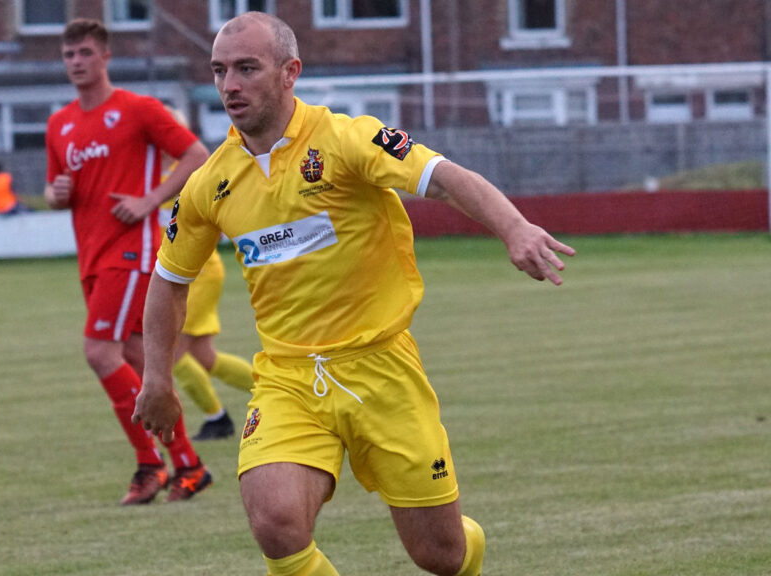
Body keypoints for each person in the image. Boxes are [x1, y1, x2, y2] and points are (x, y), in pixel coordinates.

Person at [133, 12, 575, 576]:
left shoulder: (348, 139)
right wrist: (157, 378)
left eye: (247, 68)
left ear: (290, 72)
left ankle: (464, 548)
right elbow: (170, 280)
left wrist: (514, 228)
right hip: (289, 379)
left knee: (440, 557)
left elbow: (443, 176)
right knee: (275, 522)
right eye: (220, 71)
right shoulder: (209, 184)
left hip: (382, 369)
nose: (229, 85)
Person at [43, 18, 213, 505]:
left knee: (99, 352)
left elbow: (196, 155)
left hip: (132, 251)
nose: (76, 62)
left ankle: (148, 464)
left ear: (105, 57)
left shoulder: (138, 109)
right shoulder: (60, 124)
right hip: (92, 257)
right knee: (139, 361)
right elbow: (59, 193)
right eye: (69, 55)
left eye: (85, 53)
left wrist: (149, 201)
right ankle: (189, 465)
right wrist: (55, 195)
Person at [158, 106, 255, 442]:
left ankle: (218, 418)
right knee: (202, 355)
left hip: (195, 271)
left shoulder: (181, 171)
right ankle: (285, 392)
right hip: (194, 270)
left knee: (171, 353)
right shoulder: (157, 173)